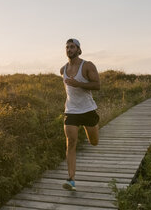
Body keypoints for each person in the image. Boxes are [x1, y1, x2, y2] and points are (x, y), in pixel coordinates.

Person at [60, 38, 100, 191]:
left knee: (94, 142)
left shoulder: (87, 66)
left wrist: (79, 84)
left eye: (72, 47)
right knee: (70, 143)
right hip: (71, 111)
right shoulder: (62, 70)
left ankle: (95, 124)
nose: (69, 49)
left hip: (88, 110)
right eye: (67, 47)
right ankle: (71, 179)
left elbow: (97, 85)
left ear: (78, 49)